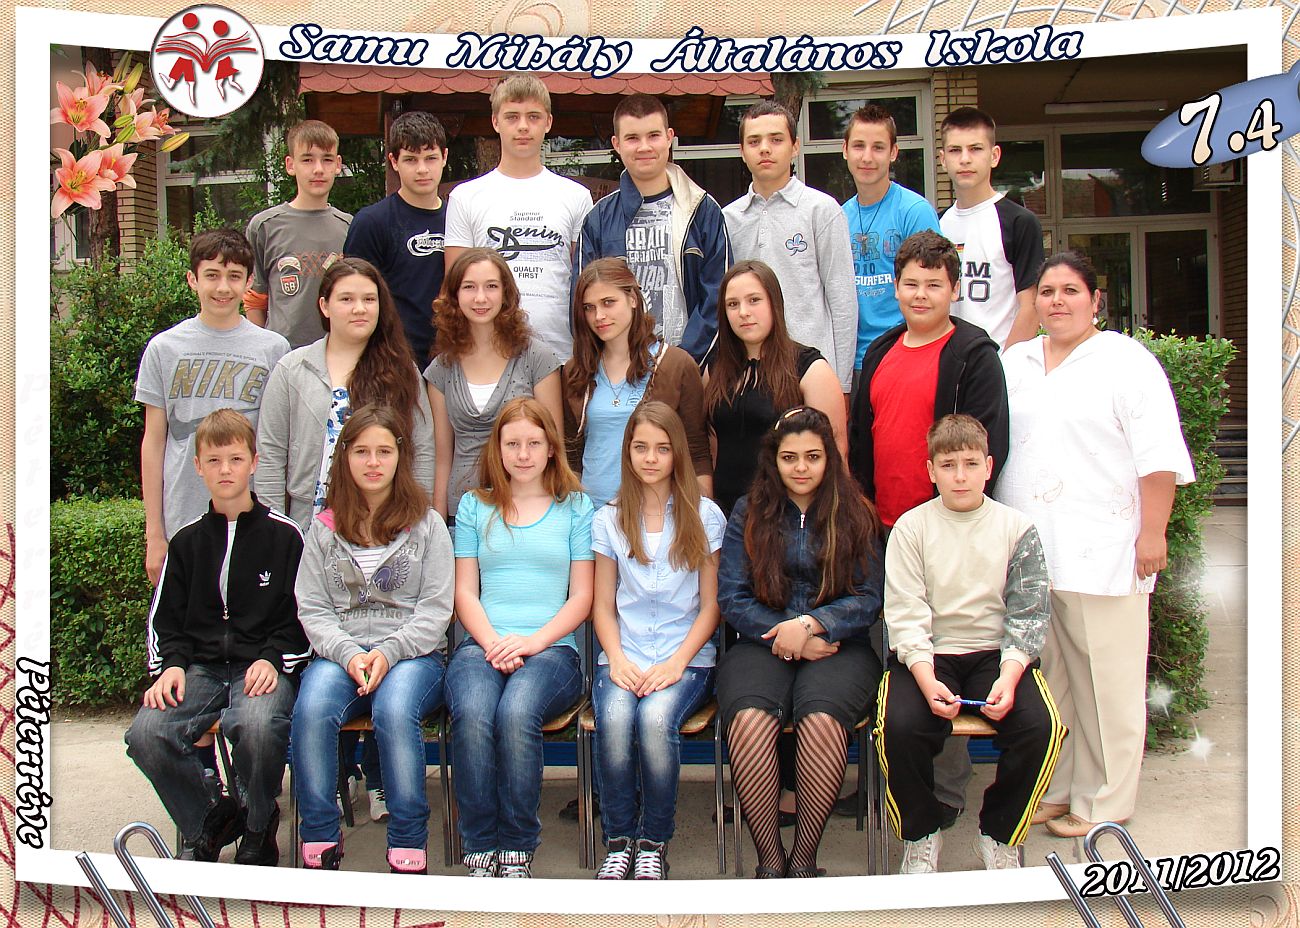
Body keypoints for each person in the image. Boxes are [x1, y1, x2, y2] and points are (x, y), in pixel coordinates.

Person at [996, 252, 1193, 838]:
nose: (1057, 301)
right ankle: (1056, 786)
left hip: (1103, 548)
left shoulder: (1126, 362)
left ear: (1095, 300)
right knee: (1050, 682)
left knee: (1107, 683)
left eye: (1071, 291)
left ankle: (1106, 798)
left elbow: (1158, 455)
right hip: (1033, 551)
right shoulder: (1016, 360)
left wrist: (1153, 533)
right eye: (1047, 291)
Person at [878, 414, 1066, 874]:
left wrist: (1010, 674)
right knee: (897, 726)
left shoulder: (1017, 528)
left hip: (996, 655)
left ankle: (1000, 835)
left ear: (988, 466)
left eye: (969, 464)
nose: (959, 476)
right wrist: (925, 680)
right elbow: (905, 612)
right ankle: (921, 835)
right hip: (929, 654)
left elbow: (1028, 611)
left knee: (1042, 727)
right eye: (948, 465)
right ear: (931, 470)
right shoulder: (911, 528)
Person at [125, 408, 308, 866]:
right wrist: (170, 666)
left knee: (258, 726)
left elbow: (304, 616)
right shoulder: (186, 542)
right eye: (214, 460)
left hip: (261, 668)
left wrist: (273, 657)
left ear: (253, 463)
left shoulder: (286, 537)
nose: (225, 470)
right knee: (146, 733)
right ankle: (211, 818)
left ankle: (258, 824)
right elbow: (165, 619)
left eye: (235, 459)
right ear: (198, 466)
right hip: (200, 669)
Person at [717, 406, 884, 878]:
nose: (801, 467)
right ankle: (770, 863)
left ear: (829, 458)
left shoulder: (855, 511)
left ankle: (805, 861)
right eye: (789, 457)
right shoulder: (750, 511)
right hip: (761, 641)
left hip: (839, 646)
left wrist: (811, 625)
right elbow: (731, 596)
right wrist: (786, 634)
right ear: (774, 460)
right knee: (749, 720)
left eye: (812, 456)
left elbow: (869, 598)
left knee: (821, 722)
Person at [291, 404, 454, 874]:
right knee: (312, 708)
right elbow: (313, 608)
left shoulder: (427, 525)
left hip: (413, 656)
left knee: (394, 710)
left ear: (401, 456)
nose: (373, 462)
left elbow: (435, 610)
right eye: (361, 451)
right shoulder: (323, 529)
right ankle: (320, 836)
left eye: (384, 451)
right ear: (344, 457)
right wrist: (348, 654)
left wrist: (387, 651)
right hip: (340, 655)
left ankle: (408, 840)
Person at [446, 397, 594, 878]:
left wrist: (532, 643)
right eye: (513, 444)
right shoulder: (475, 505)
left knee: (515, 712)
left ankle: (517, 845)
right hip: (482, 644)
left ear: (551, 448)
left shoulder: (575, 506)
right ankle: (479, 843)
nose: (523, 454)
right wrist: (492, 641)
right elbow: (465, 592)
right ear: (498, 449)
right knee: (473, 713)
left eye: (533, 443)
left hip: (552, 651)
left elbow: (581, 597)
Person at [590, 402, 726, 880]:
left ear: (677, 454)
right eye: (641, 447)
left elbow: (710, 606)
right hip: (624, 653)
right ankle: (618, 840)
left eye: (662, 449)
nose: (651, 458)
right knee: (614, 718)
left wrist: (676, 664)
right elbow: (602, 606)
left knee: (653, 719)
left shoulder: (704, 515)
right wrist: (616, 658)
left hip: (685, 658)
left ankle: (653, 841)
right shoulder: (609, 518)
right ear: (627, 451)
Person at [137, 228, 290, 586]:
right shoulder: (164, 348)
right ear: (192, 279)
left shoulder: (274, 349)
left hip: (252, 518)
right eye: (212, 275)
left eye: (234, 276)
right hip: (183, 517)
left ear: (249, 282)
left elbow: (277, 443)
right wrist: (154, 533)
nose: (223, 287)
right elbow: (154, 441)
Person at [255, 256, 435, 529]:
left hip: (384, 524)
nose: (359, 308)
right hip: (309, 523)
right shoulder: (292, 370)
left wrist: (418, 520)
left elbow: (422, 448)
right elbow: (270, 454)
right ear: (324, 306)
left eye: (369, 299)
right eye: (346, 299)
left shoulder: (402, 371)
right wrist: (275, 529)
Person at [848, 230, 1009, 531]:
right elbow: (858, 439)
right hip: (880, 527)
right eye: (911, 284)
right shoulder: (878, 353)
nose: (920, 294)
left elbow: (990, 446)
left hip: (950, 527)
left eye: (934, 285)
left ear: (955, 289)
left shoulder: (974, 358)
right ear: (896, 287)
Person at [444, 74, 593, 363]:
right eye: (512, 116)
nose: (523, 126)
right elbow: (454, 287)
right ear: (495, 122)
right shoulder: (466, 197)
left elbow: (585, 283)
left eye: (533, 116)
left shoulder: (576, 196)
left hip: (563, 354)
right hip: (490, 356)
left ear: (548, 122)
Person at [575, 93, 731, 363]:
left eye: (653, 135)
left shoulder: (703, 210)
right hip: (619, 372)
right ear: (616, 144)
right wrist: (610, 367)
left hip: (691, 368)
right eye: (632, 138)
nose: (644, 147)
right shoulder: (598, 220)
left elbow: (717, 298)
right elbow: (582, 304)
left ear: (669, 137)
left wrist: (684, 364)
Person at [723, 100, 856, 391]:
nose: (765, 149)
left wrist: (842, 384)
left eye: (776, 139)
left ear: (795, 146)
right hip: (750, 376)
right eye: (754, 141)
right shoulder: (729, 218)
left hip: (809, 372)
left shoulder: (822, 210)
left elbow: (843, 302)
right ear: (742, 151)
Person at [424, 248, 563, 526]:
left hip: (526, 512)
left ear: (506, 293)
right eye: (469, 287)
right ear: (455, 295)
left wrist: (554, 513)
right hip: (462, 514)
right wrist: (438, 524)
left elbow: (554, 445)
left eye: (491, 286)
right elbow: (442, 458)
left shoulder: (537, 358)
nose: (480, 298)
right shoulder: (441, 369)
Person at [564, 258, 713, 509]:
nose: (599, 316)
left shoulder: (675, 364)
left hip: (656, 514)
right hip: (591, 512)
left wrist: (701, 513)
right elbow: (572, 453)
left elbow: (697, 450)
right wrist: (573, 510)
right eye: (589, 308)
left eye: (608, 302)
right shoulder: (576, 370)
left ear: (633, 299)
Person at [706, 260, 847, 515]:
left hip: (785, 516)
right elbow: (712, 446)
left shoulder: (809, 369)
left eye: (754, 300)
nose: (743, 312)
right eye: (733, 304)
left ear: (775, 303)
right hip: (726, 514)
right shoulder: (714, 368)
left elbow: (836, 454)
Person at [840, 104, 940, 400]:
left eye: (878, 147)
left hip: (903, 354)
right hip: (853, 362)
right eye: (859, 146)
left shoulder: (914, 211)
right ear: (845, 150)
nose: (867, 157)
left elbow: (934, 287)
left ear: (893, 152)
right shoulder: (838, 216)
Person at [344, 110, 449, 365]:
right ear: (393, 161)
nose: (422, 169)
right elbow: (355, 296)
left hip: (452, 358)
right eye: (411, 159)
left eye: (431, 158)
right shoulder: (372, 222)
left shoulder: (460, 219)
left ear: (444, 157)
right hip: (392, 360)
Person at [937, 107, 1044, 352]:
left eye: (975, 149)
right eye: (955, 150)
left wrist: (1005, 365)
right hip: (946, 364)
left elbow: (1031, 306)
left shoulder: (1019, 222)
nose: (965, 159)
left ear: (994, 156)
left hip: (998, 362)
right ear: (943, 159)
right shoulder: (935, 223)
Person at [245, 120, 352, 349]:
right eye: (307, 159)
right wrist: (262, 353)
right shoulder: (264, 227)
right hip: (283, 356)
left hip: (339, 354)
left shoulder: (351, 227)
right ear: (290, 164)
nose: (318, 169)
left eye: (327, 159)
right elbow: (255, 300)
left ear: (338, 164)